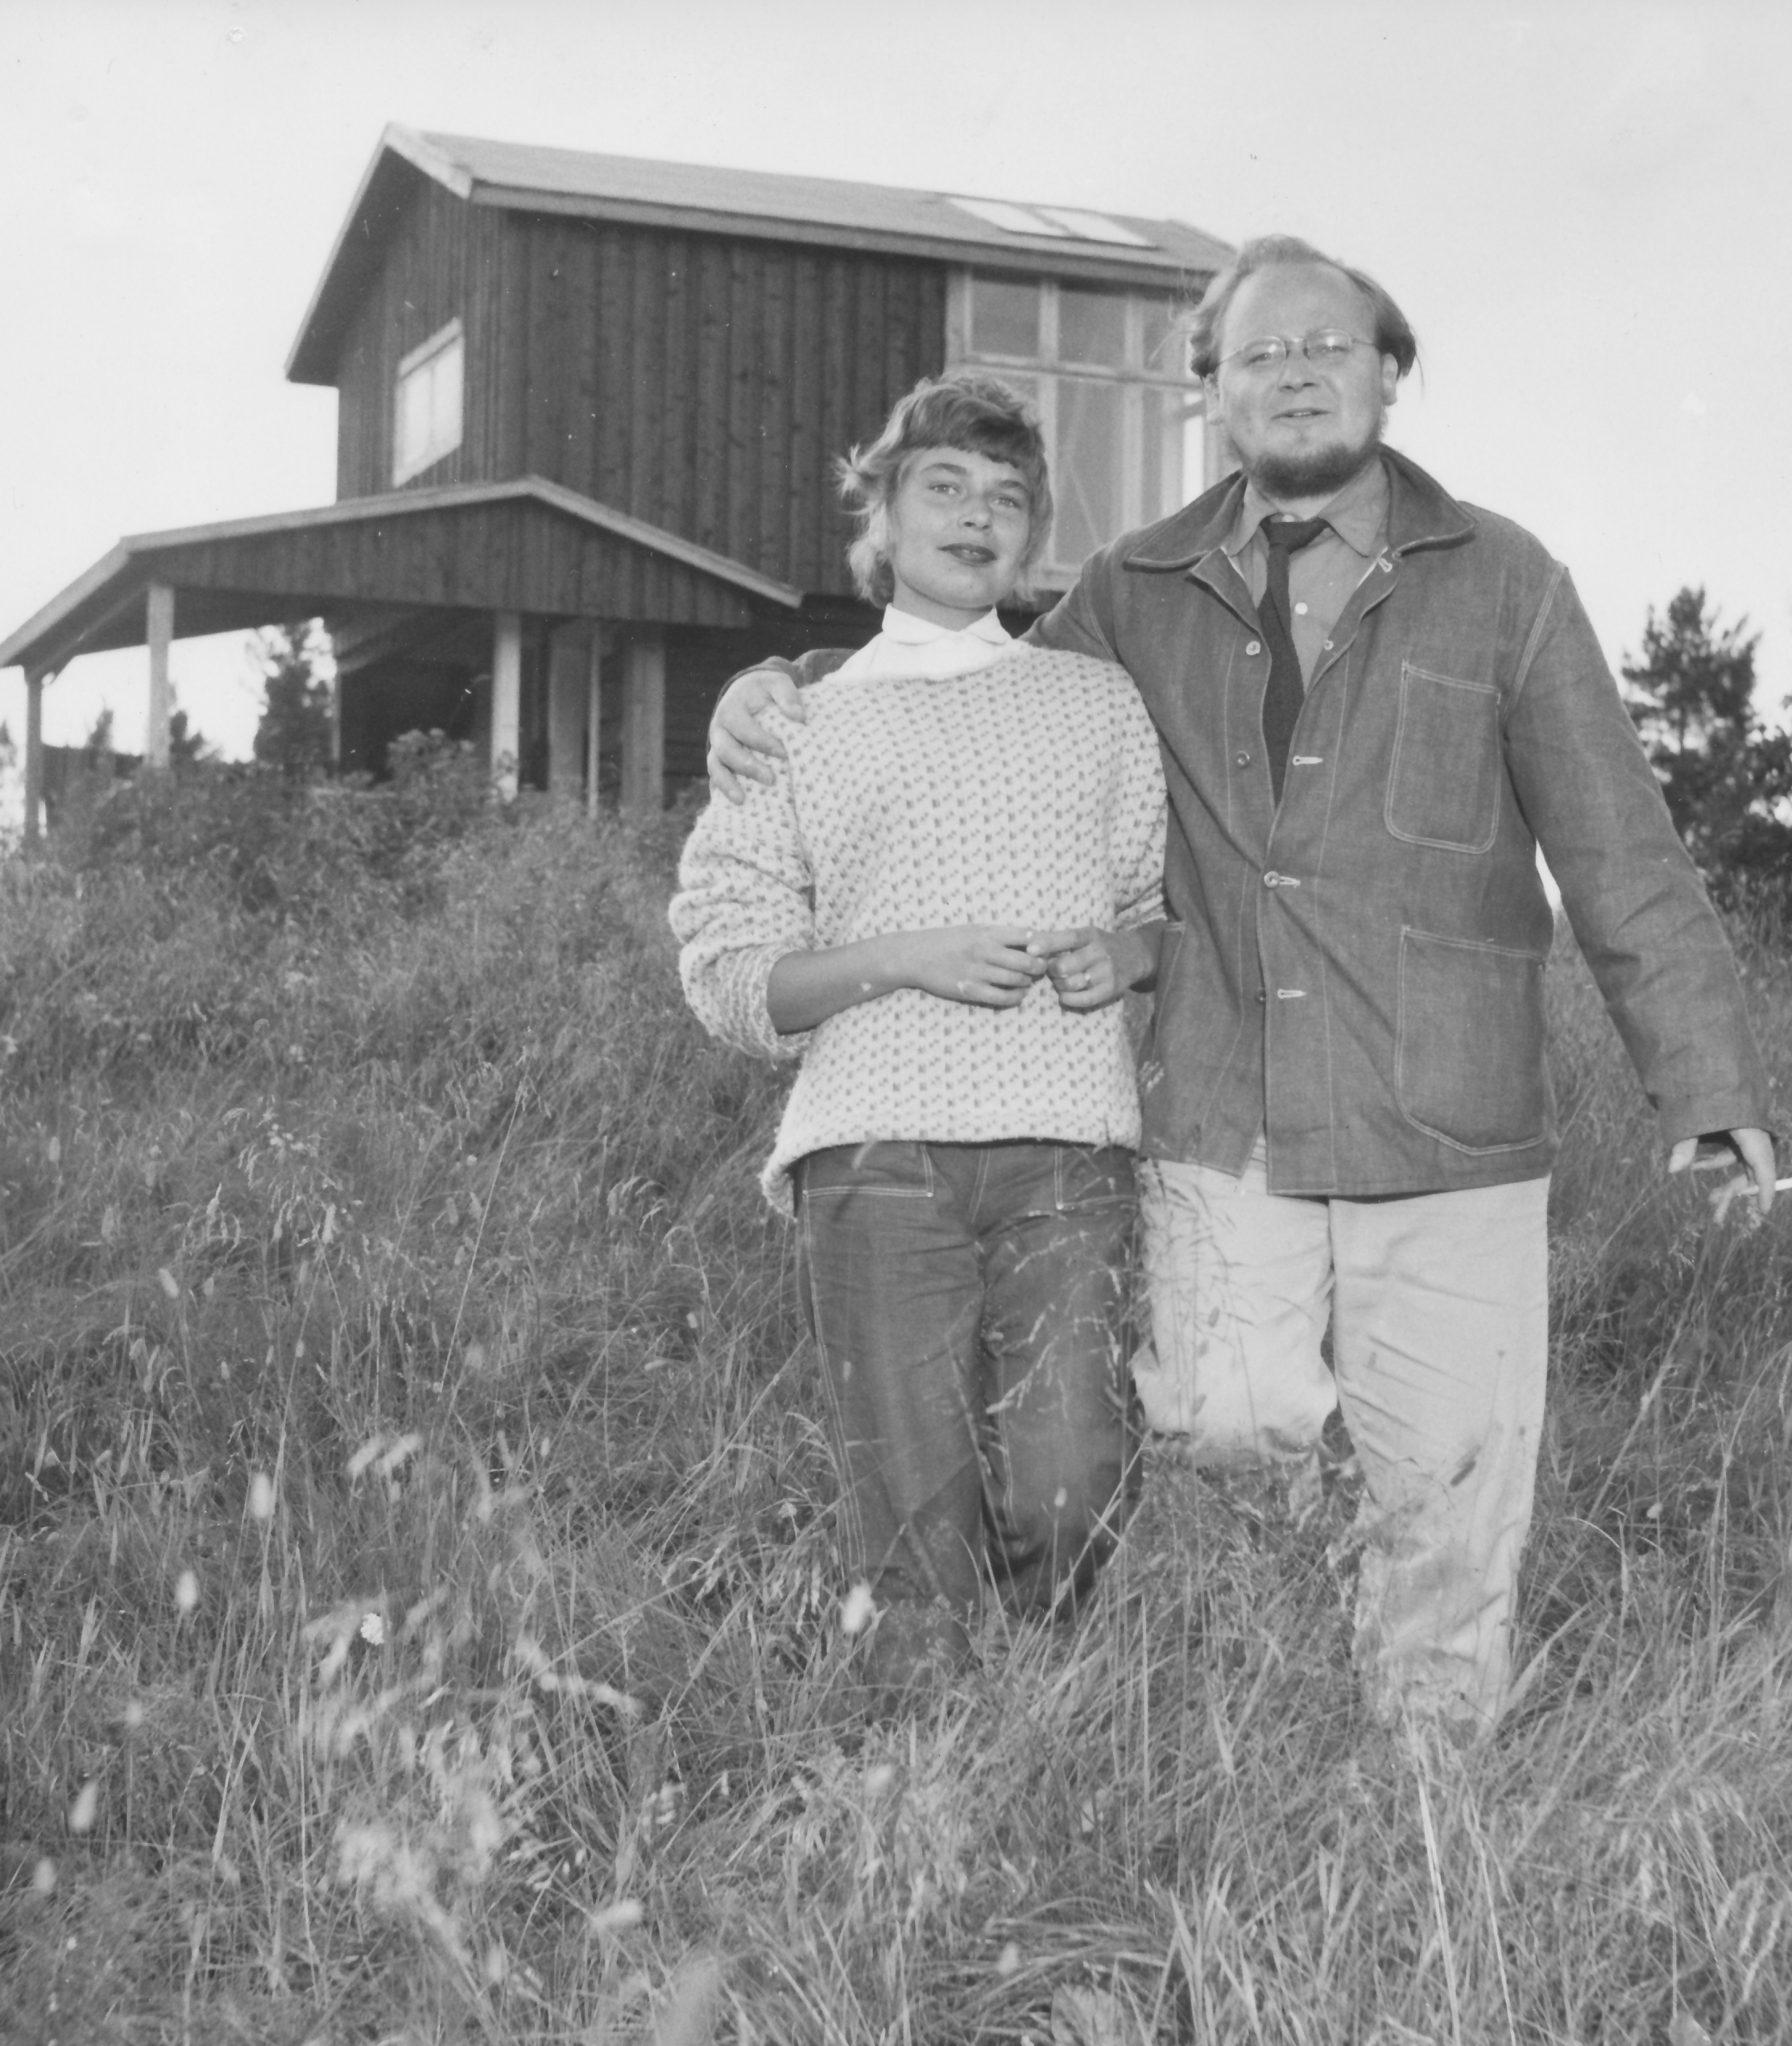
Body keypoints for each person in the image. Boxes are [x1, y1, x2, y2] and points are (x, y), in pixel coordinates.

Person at [704, 238, 1775, 1737]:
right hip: (1226, 1115)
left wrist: (1707, 1082)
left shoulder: (1506, 579)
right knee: (1219, 1425)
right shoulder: (1136, 587)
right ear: (1209, 390)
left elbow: (1619, 848)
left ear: (1387, 373)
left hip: (1450, 1118)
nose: (1295, 373)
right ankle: (1269, 1678)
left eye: (1326, 346)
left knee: (1454, 1485)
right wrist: (788, 684)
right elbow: (964, 672)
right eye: (1258, 353)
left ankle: (1425, 1797)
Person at [670, 371, 1166, 1707]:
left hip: (1069, 1154)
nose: (975, 515)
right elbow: (729, 975)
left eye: (1007, 497)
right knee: (911, 1516)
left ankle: (1037, 1721)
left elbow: (1163, 911)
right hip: (873, 1164)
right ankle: (932, 1769)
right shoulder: (794, 718)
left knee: (1073, 1487)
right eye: (942, 486)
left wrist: (1125, 954)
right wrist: (907, 959)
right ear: (880, 520)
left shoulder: (1097, 705)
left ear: (1033, 536)